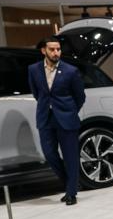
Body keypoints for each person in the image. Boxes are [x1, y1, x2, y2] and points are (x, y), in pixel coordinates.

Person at [28, 37, 85, 205]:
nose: (56, 53)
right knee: (49, 154)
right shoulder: (33, 69)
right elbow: (36, 93)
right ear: (43, 51)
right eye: (52, 49)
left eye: (58, 49)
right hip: (45, 117)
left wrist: (70, 112)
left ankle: (71, 192)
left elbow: (80, 97)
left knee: (70, 157)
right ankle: (70, 183)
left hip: (66, 118)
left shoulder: (71, 71)